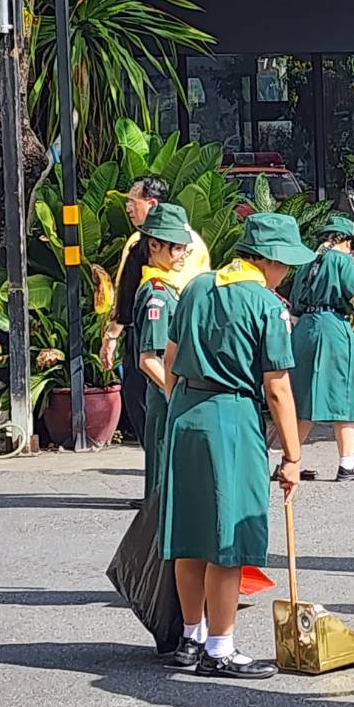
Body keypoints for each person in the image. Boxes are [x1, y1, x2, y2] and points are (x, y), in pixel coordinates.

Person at [158, 212, 314, 680]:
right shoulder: (266, 304)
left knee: (190, 534)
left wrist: (183, 405)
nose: (287, 272)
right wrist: (293, 455)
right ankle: (220, 647)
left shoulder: (197, 287)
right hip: (231, 414)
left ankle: (191, 637)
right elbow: (277, 387)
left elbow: (170, 360)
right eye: (285, 263)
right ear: (269, 260)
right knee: (227, 538)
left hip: (186, 412)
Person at [284, 215, 354, 482]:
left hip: (304, 329)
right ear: (345, 240)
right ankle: (347, 462)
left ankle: (288, 460)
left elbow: (294, 305)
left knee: (302, 397)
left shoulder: (306, 262)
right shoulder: (342, 260)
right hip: (332, 326)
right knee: (346, 392)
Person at [101, 176, 211, 449]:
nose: (128, 207)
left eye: (132, 201)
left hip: (171, 333)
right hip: (153, 334)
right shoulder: (140, 246)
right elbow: (126, 291)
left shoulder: (180, 251)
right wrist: (113, 334)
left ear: (151, 204)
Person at [129, 203, 193, 500]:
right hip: (166, 394)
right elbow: (148, 359)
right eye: (177, 248)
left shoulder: (168, 287)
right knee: (162, 489)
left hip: (169, 391)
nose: (182, 255)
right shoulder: (157, 294)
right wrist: (176, 392)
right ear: (154, 245)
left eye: (184, 249)